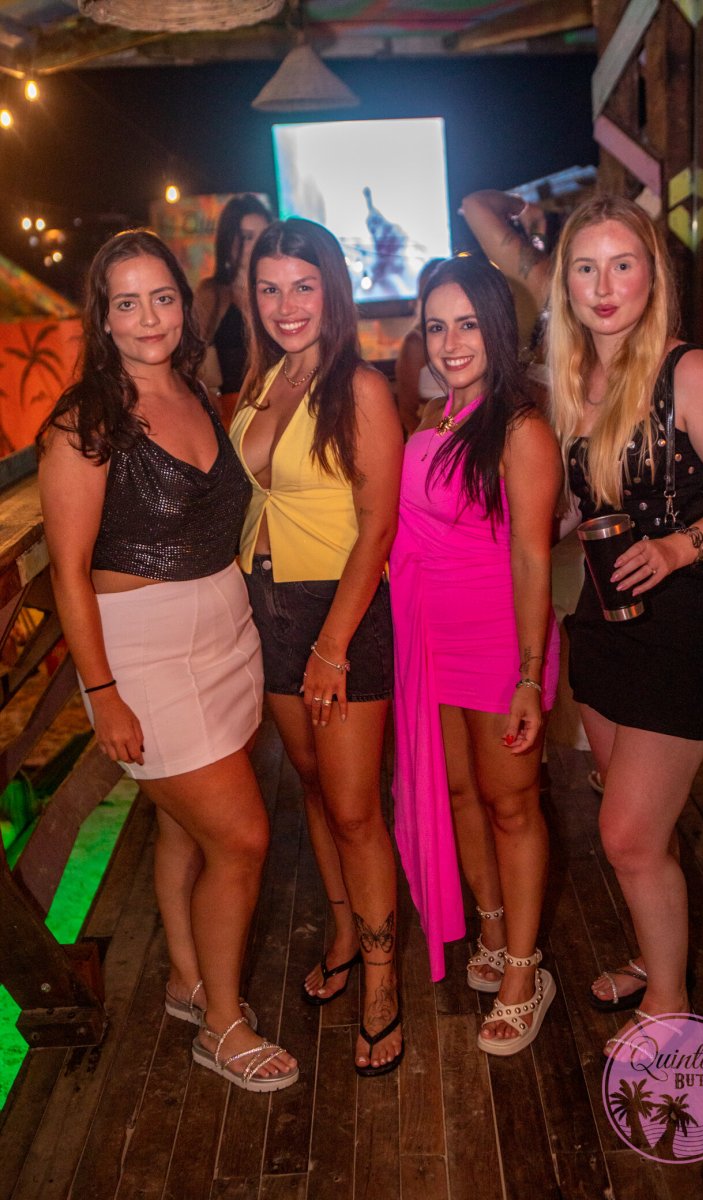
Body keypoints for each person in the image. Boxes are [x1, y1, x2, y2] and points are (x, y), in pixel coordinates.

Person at [36, 229, 298, 1092]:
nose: (148, 318)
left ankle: (188, 980)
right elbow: (68, 573)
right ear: (103, 317)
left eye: (162, 298)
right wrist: (103, 693)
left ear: (185, 305)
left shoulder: (195, 390)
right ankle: (222, 1025)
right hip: (142, 651)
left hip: (224, 631)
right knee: (244, 838)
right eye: (127, 302)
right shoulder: (83, 423)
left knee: (186, 826)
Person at [547, 196, 703, 1051]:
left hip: (683, 630)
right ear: (566, 284)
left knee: (627, 835)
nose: (605, 287)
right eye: (586, 268)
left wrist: (679, 548)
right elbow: (584, 507)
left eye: (623, 265)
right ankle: (657, 951)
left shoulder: (692, 373)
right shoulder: (578, 381)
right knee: (640, 827)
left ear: (653, 276)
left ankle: (670, 1006)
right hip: (604, 623)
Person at [229, 217, 405, 1077]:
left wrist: (333, 646)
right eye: (270, 288)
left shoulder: (358, 387)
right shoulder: (262, 382)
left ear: (332, 289)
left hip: (340, 611)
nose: (286, 304)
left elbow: (378, 528)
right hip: (266, 608)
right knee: (310, 785)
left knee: (355, 808)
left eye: (302, 286)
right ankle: (342, 931)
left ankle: (381, 977)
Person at [390, 255, 562, 1056]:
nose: (451, 342)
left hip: (497, 641)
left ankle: (526, 972)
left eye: (466, 324)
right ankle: (490, 927)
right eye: (436, 326)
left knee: (511, 805)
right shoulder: (432, 416)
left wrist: (528, 674)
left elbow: (532, 558)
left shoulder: (522, 430)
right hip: (430, 635)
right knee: (459, 792)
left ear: (497, 329)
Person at [193, 193, 272, 427]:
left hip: (280, 409)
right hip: (232, 417)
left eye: (264, 236)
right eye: (247, 237)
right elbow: (189, 361)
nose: (257, 246)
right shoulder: (212, 293)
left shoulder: (279, 292)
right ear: (229, 242)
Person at [460, 189, 552, 349]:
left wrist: (522, 208)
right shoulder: (550, 285)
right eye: (586, 268)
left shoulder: (547, 283)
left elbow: (474, 204)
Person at [395, 257, 446, 436]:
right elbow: (406, 411)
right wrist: (433, 442)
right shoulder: (415, 342)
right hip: (427, 437)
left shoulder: (468, 340)